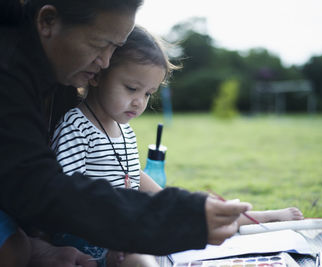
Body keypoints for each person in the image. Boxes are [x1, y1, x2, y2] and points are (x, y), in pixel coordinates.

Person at [0, 0, 252, 266]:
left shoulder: (61, 69)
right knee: (12, 250)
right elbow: (37, 186)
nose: (106, 62)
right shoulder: (9, 71)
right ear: (48, 21)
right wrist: (177, 217)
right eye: (99, 45)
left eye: (115, 48)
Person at [50, 25, 303, 267]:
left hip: (124, 223)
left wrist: (173, 202)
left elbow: (133, 175)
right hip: (88, 238)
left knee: (191, 217)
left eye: (148, 93)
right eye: (131, 88)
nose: (139, 102)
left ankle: (253, 218)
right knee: (139, 257)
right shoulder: (77, 126)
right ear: (98, 75)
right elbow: (66, 195)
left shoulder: (123, 129)